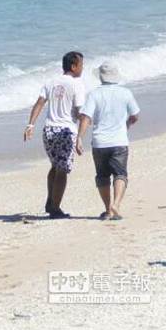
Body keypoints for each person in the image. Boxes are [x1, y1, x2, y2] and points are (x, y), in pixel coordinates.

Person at [24, 51, 85, 218]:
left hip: (48, 130)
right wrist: (87, 121)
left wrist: (30, 125)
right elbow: (80, 110)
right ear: (73, 66)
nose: (82, 69)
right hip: (65, 131)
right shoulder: (76, 84)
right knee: (62, 170)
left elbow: (39, 104)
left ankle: (50, 201)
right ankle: (55, 208)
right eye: (81, 65)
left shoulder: (50, 81)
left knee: (55, 166)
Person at [76, 61, 140, 220]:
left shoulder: (94, 94)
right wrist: (127, 124)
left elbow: (85, 117)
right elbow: (135, 115)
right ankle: (116, 205)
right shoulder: (125, 93)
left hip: (100, 142)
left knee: (102, 176)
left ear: (101, 77)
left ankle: (107, 209)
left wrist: (79, 138)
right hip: (119, 141)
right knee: (120, 174)